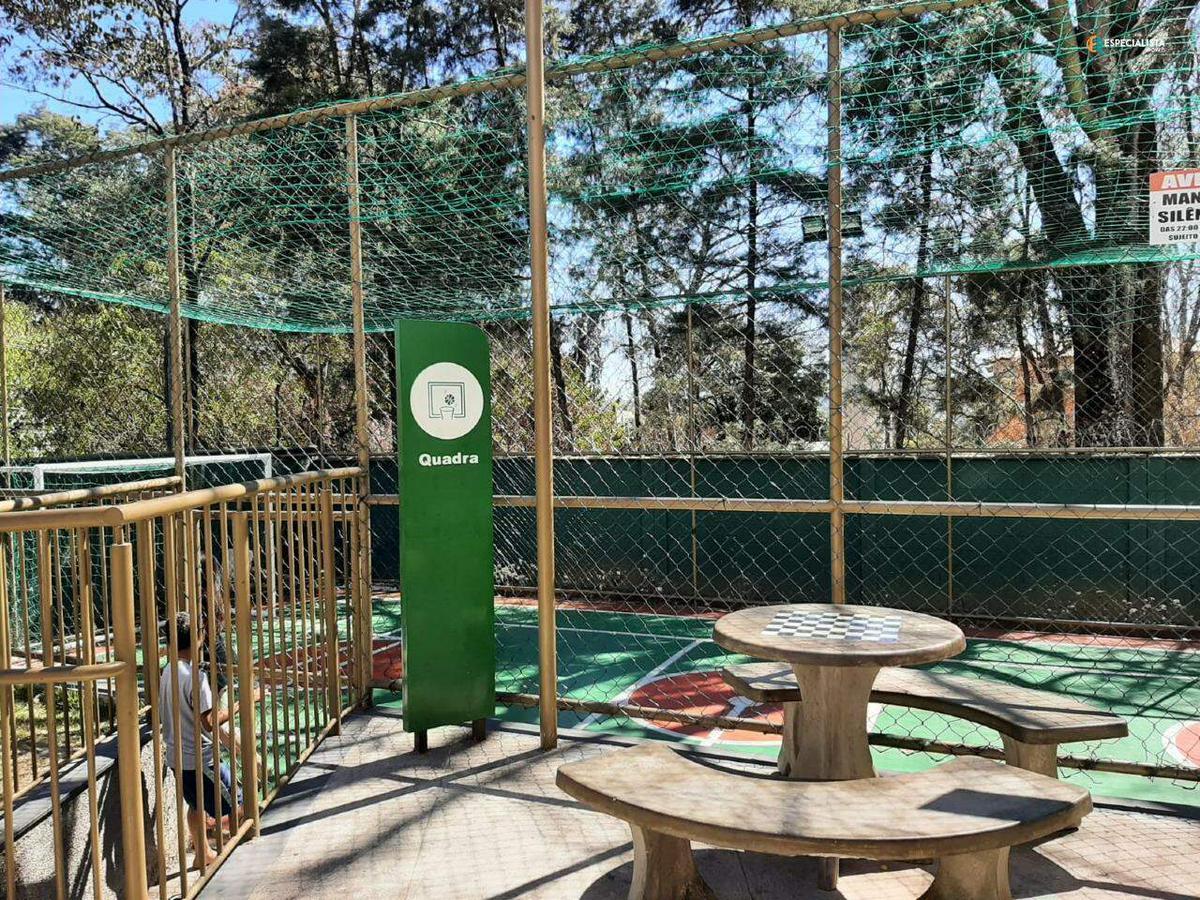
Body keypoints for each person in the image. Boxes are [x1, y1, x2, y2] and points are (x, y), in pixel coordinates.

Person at [159, 611, 260, 869]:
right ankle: (236, 852)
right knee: (240, 803)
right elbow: (210, 721)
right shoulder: (196, 677)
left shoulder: (168, 670)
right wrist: (244, 702)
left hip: (177, 757)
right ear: (200, 638)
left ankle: (202, 853)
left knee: (196, 805)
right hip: (201, 759)